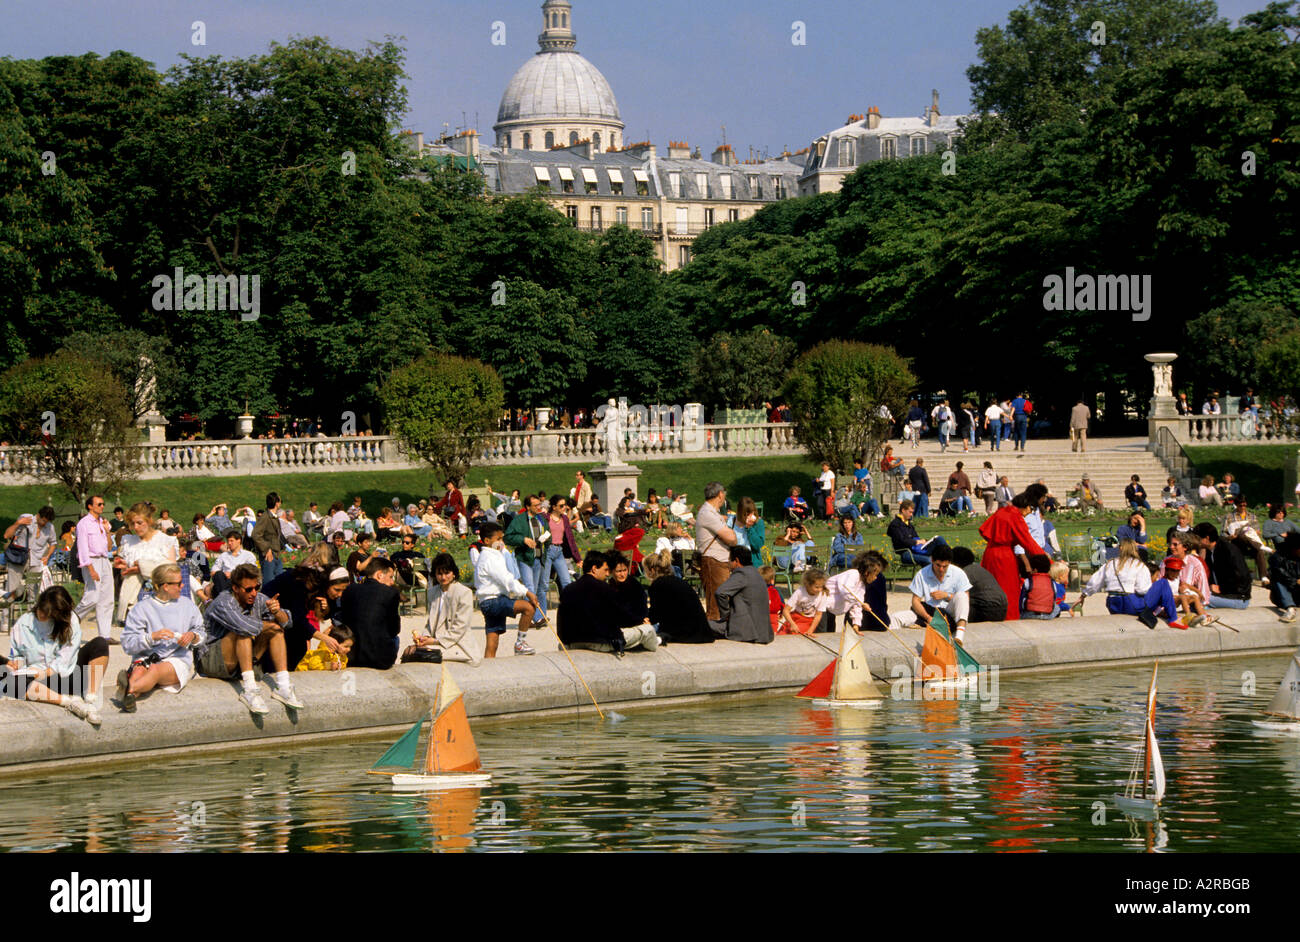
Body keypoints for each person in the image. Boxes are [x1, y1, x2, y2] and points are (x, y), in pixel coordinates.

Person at [197, 563, 302, 714]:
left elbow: (288, 623)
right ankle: (250, 690)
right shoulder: (223, 602)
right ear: (235, 588)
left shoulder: (258, 599)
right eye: (248, 589)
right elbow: (244, 627)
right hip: (211, 660)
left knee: (276, 631)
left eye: (257, 587)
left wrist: (277, 612)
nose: (254, 593)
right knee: (243, 632)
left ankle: (283, 686)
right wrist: (271, 624)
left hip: (241, 660)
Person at [3, 585, 109, 725]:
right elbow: (16, 656)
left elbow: (65, 659)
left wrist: (42, 673)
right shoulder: (22, 624)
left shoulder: (70, 621)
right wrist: (15, 664)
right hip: (43, 685)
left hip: (68, 674)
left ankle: (91, 698)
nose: (42, 615)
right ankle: (67, 702)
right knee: (11, 684)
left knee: (100, 644)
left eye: (49, 614)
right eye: (42, 610)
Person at [117, 563, 206, 710]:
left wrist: (193, 636)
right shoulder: (142, 608)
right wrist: (151, 637)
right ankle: (130, 697)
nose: (182, 586)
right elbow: (128, 644)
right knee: (140, 669)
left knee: (154, 670)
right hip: (147, 657)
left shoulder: (187, 605)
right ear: (165, 586)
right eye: (178, 583)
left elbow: (201, 632)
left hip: (177, 659)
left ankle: (128, 688)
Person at [557, 551, 660, 655]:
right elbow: (620, 614)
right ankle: (655, 656)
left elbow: (561, 621)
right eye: (605, 570)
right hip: (601, 642)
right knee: (648, 630)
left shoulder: (567, 590)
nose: (607, 574)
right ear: (594, 569)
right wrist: (640, 621)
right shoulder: (604, 588)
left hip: (572, 643)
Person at [473, 522, 540, 658]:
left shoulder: (489, 555)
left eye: (502, 538)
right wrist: (527, 592)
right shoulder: (490, 557)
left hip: (487, 601)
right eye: (498, 539)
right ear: (487, 541)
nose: (501, 542)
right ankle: (520, 643)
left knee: (492, 642)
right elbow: (507, 579)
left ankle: (488, 668)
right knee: (529, 608)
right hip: (493, 601)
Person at [979, 492, 1046, 620]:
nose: (1029, 513)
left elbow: (985, 531)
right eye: (1030, 509)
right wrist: (1046, 560)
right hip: (1004, 557)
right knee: (1009, 590)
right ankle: (1008, 616)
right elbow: (1028, 542)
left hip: (990, 552)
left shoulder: (1002, 512)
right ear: (1025, 507)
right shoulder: (1016, 517)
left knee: (991, 587)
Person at [113, 502, 178, 626]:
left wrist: (142, 568)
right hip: (134, 602)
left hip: (161, 598)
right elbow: (124, 573)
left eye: (139, 523)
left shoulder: (165, 540)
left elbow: (172, 570)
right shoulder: (128, 542)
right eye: (132, 523)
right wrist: (124, 566)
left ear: (149, 521)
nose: (136, 527)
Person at [408, 553, 477, 663]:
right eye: (439, 574)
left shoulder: (464, 593)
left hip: (457, 644)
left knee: (415, 654)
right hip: (437, 642)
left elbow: (460, 628)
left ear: (453, 573)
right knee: (410, 651)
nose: (443, 577)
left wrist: (435, 641)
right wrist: (424, 637)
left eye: (447, 573)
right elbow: (430, 623)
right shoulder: (432, 592)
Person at [339, 556, 402, 670]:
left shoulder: (350, 589)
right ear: (379, 575)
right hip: (379, 660)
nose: (392, 582)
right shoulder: (390, 593)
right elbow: (394, 629)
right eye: (390, 577)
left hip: (353, 656)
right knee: (396, 639)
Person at [643, 550, 714, 644]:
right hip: (702, 632)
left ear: (652, 570)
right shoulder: (678, 581)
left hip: (685, 634)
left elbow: (655, 615)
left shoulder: (657, 585)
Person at [909, 542, 972, 643]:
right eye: (938, 565)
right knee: (897, 618)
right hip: (929, 611)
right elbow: (915, 601)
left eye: (945, 566)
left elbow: (966, 599)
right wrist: (928, 618)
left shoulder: (958, 573)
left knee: (962, 595)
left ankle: (959, 635)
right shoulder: (922, 574)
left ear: (949, 563)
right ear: (932, 560)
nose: (941, 569)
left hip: (950, 611)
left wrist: (946, 595)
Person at [72, 495, 115, 642]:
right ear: (90, 506)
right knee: (92, 596)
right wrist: (90, 568)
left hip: (104, 559)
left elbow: (109, 547)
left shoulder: (102, 523)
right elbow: (82, 547)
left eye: (103, 504)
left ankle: (104, 635)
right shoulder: (84, 524)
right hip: (92, 561)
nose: (102, 507)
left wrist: (107, 531)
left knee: (107, 599)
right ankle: (70, 620)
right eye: (99, 504)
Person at [709, 546, 774, 643]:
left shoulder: (742, 574)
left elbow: (720, 592)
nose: (728, 564)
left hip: (745, 630)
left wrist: (725, 615)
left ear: (736, 561)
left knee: (701, 623)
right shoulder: (756, 574)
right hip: (762, 632)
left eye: (729, 560)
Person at [505, 494, 550, 631]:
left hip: (539, 557)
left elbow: (548, 532)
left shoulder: (541, 519)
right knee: (530, 587)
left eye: (539, 504)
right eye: (536, 505)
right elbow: (508, 537)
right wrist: (523, 540)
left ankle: (533, 616)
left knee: (537, 588)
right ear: (528, 507)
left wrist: (546, 538)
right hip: (525, 558)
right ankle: (537, 618)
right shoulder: (519, 520)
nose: (539, 507)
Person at [696, 481, 738, 621]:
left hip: (718, 560)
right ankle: (715, 629)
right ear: (720, 495)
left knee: (720, 599)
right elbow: (731, 538)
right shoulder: (708, 513)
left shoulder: (711, 512)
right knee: (716, 602)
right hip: (714, 561)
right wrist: (732, 533)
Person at [1076, 540, 1152, 615]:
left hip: (1113, 600)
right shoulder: (1139, 565)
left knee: (1118, 624)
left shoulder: (1110, 564)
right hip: (1131, 600)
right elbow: (1142, 589)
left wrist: (1083, 595)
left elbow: (1095, 582)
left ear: (1120, 548)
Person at [1194, 523, 1252, 609]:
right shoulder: (1211, 551)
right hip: (1222, 595)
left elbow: (1242, 578)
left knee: (1196, 599)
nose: (1195, 542)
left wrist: (1221, 588)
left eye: (1198, 539)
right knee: (1194, 597)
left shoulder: (1228, 550)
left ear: (1207, 538)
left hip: (1238, 598)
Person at [4, 505, 55, 597]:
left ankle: (32, 610)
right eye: (43, 520)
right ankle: (7, 611)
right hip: (18, 558)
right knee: (12, 588)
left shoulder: (50, 527)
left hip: (36, 560)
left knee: (34, 590)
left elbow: (53, 543)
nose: (44, 524)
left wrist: (47, 555)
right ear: (38, 515)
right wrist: (18, 523)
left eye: (47, 522)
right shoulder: (27, 519)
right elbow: (6, 535)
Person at [541, 493, 581, 600]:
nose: (564, 507)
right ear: (554, 507)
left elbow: (570, 539)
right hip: (548, 550)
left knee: (567, 582)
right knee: (544, 584)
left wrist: (577, 558)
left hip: (559, 551)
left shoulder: (564, 519)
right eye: (561, 506)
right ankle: (540, 614)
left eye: (565, 505)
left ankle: (568, 609)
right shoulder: (545, 518)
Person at [951, 546, 1006, 623]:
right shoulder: (978, 568)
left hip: (986, 610)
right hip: (1002, 608)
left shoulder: (964, 573)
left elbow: (953, 593)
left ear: (955, 562)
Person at [1223, 497, 1271, 584]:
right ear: (1236, 505)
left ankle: (1264, 577)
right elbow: (1223, 533)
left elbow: (1257, 531)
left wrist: (1255, 532)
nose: (1242, 507)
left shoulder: (1252, 516)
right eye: (1240, 505)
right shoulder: (1229, 517)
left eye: (1244, 505)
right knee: (1241, 535)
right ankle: (1262, 547)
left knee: (1258, 550)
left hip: (1251, 543)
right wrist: (1229, 537)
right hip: (1237, 544)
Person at [887, 499, 947, 567]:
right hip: (906, 552)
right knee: (929, 560)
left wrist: (925, 541)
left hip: (917, 550)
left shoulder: (909, 524)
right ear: (903, 510)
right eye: (910, 512)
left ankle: (951, 559)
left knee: (939, 539)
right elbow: (901, 541)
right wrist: (917, 542)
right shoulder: (895, 524)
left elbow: (916, 537)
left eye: (912, 512)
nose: (911, 515)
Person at [210, 530, 257, 596]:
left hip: (239, 580)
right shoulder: (223, 555)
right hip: (224, 580)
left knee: (222, 585)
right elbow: (213, 571)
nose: (229, 543)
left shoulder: (248, 555)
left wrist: (233, 574)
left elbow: (252, 571)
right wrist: (224, 574)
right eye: (228, 541)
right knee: (218, 574)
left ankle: (223, 597)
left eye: (231, 541)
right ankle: (225, 596)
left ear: (239, 541)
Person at [786, 567, 830, 634]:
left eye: (821, 587)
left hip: (808, 620)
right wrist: (792, 623)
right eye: (817, 587)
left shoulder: (822, 594)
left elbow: (818, 615)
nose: (820, 589)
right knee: (782, 635)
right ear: (808, 584)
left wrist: (811, 630)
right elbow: (786, 610)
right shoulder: (800, 592)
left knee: (796, 634)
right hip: (795, 617)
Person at [1268, 533, 1300, 623]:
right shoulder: (1277, 558)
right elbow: (1280, 574)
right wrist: (1296, 581)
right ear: (1294, 548)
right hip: (1282, 595)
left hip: (1297, 593)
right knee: (1277, 580)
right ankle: (1290, 609)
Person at [1019, 555, 1059, 620]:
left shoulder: (1028, 581)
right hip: (1047, 615)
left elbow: (1021, 600)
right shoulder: (1052, 582)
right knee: (1057, 607)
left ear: (1035, 570)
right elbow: (1053, 599)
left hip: (1029, 614)